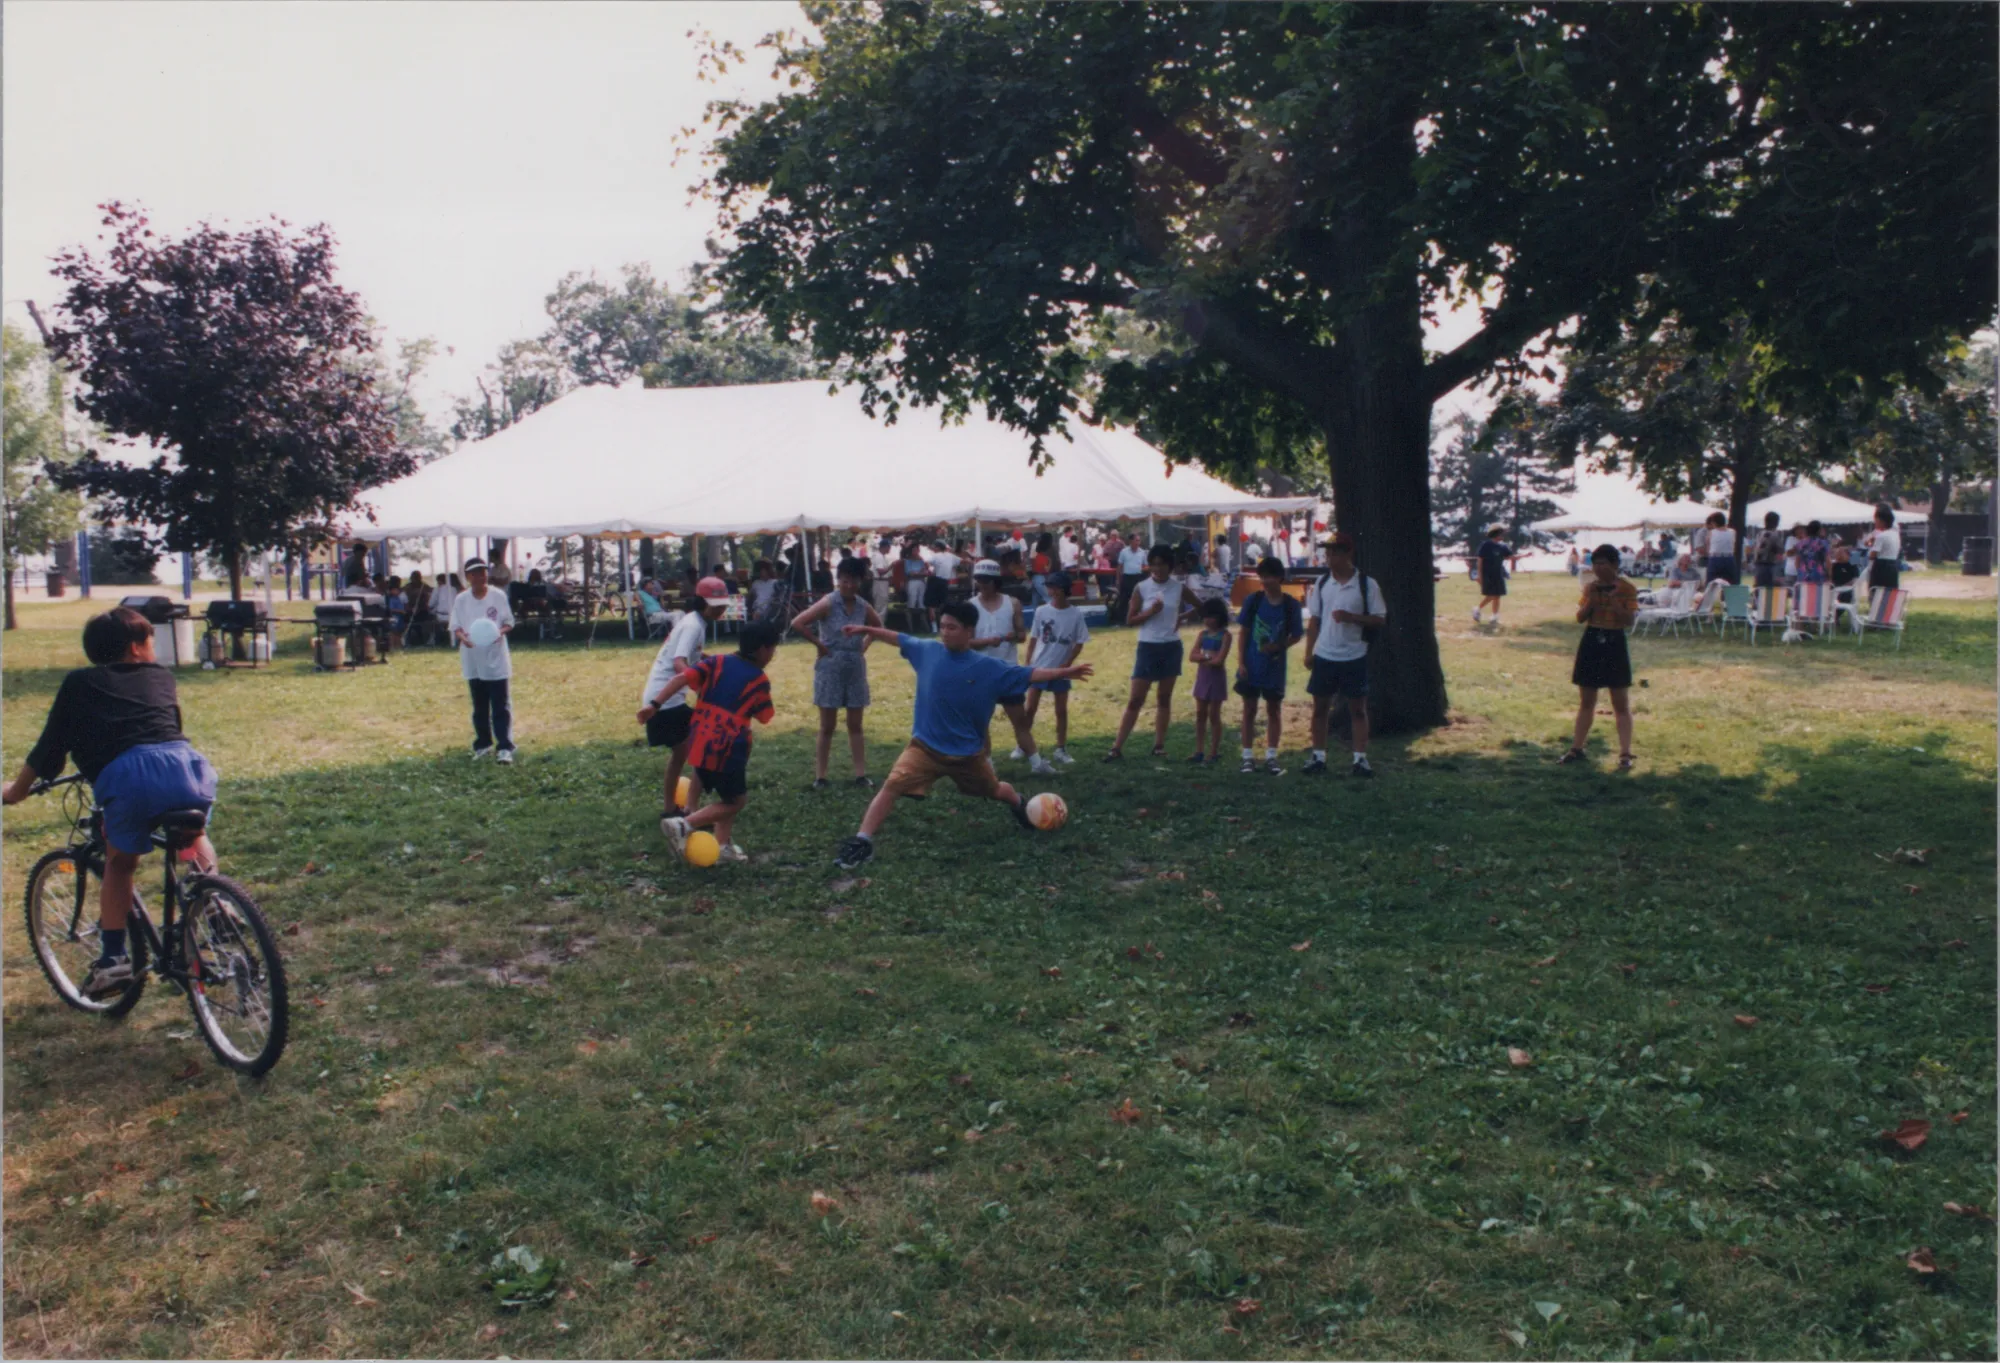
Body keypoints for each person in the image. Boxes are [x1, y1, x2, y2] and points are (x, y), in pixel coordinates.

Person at [1, 606, 221, 995]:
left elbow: (50, 745)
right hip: (188, 767)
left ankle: (113, 960)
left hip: (130, 778)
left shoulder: (79, 683)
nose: (153, 647)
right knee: (192, 832)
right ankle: (215, 900)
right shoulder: (161, 676)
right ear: (134, 647)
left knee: (120, 865)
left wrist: (15, 791)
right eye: (150, 640)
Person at [830, 602, 1094, 870]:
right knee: (893, 784)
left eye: (952, 628)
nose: (945, 632)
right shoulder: (927, 651)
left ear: (969, 631)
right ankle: (862, 841)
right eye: (942, 626)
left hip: (967, 756)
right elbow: (898, 638)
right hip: (924, 748)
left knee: (994, 790)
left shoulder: (989, 668)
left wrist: (1064, 672)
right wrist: (867, 629)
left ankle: (1018, 803)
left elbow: (1030, 673)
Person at [658, 623, 780, 865]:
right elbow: (765, 716)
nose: (772, 655)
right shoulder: (758, 679)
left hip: (699, 741)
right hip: (728, 749)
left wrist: (654, 704)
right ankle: (683, 824)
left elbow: (684, 678)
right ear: (762, 650)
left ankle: (723, 846)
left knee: (727, 797)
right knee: (735, 802)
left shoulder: (717, 661)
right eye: (772, 649)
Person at [790, 556, 882, 790]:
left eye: (854, 581)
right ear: (838, 579)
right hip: (830, 667)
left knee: (856, 724)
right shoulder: (828, 602)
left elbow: (877, 627)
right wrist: (820, 645)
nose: (849, 585)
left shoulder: (863, 605)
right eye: (845, 580)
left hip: (855, 667)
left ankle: (860, 775)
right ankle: (820, 776)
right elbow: (798, 623)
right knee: (827, 726)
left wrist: (864, 645)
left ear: (860, 581)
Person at [638, 591, 729, 818]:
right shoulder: (693, 626)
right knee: (700, 747)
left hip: (665, 699)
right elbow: (680, 662)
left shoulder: (694, 621)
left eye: (723, 605)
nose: (721, 610)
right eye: (716, 605)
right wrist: (700, 688)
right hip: (666, 701)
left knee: (684, 752)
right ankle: (688, 810)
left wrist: (712, 661)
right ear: (703, 603)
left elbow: (690, 655)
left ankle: (673, 808)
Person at [1302, 533, 1385, 778]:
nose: (1329, 558)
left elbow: (1379, 619)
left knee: (1357, 710)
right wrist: (1309, 652)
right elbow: (1314, 620)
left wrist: (1352, 618)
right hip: (1325, 654)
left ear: (1348, 554)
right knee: (1320, 708)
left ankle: (1360, 759)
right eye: (1327, 553)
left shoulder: (1366, 584)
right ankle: (1318, 756)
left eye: (1335, 553)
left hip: (1354, 654)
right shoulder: (1322, 583)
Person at [1104, 543, 1197, 761]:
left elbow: (1201, 605)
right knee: (1136, 699)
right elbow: (1130, 620)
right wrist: (1150, 612)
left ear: (1170, 566)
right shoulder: (1142, 587)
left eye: (1161, 564)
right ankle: (1116, 747)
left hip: (1171, 646)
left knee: (1164, 698)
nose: (1157, 569)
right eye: (1153, 564)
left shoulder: (1178, 587)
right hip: (1148, 646)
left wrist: (1181, 618)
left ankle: (1159, 745)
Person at [970, 560, 1057, 776]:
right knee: (982, 723)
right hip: (980, 671)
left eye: (987, 580)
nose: (983, 584)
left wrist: (1013, 636)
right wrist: (988, 641)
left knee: (1020, 721)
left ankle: (1037, 763)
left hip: (1007, 671)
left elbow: (1022, 635)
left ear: (996, 581)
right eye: (979, 580)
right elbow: (965, 642)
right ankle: (988, 767)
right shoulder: (970, 606)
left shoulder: (1012, 603)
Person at [1560, 544, 1638, 770]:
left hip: (1615, 641)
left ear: (1615, 564)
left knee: (1620, 702)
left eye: (1603, 563)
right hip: (1592, 639)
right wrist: (1591, 602)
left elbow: (1629, 620)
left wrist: (1614, 602)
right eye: (1595, 564)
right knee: (1586, 701)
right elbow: (1579, 618)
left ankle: (1625, 754)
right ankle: (1576, 748)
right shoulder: (1591, 587)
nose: (1598, 568)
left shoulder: (1627, 588)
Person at [1235, 555, 1304, 774]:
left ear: (1280, 577)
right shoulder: (1253, 601)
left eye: (1270, 576)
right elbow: (1243, 633)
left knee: (1274, 709)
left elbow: (1297, 635)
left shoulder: (1291, 605)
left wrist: (1279, 646)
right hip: (1252, 664)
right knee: (1249, 709)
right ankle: (1247, 756)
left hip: (1275, 666)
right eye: (1262, 577)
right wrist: (1241, 662)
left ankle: (1271, 756)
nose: (1265, 581)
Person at [448, 559, 518, 762]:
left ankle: (504, 746)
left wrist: (498, 633)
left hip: (495, 657)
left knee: (500, 704)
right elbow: (456, 626)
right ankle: (483, 744)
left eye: (483, 572)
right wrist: (463, 638)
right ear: (468, 577)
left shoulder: (498, 595)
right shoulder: (461, 599)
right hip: (473, 658)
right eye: (475, 573)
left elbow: (508, 622)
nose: (480, 576)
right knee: (479, 705)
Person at [1020, 571, 1089, 765]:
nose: (1052, 592)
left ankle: (1060, 748)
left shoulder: (1075, 614)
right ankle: (1022, 745)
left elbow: (1080, 641)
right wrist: (1028, 663)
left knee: (1061, 710)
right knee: (1030, 708)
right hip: (1039, 666)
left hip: (1061, 669)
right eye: (1050, 588)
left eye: (1056, 588)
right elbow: (1034, 638)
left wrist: (1068, 662)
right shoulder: (1041, 611)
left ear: (1065, 590)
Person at [1186, 597, 1233, 764]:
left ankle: (1213, 751)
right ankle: (1199, 750)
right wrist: (1207, 657)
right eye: (1205, 617)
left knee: (1214, 714)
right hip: (1203, 676)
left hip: (1216, 678)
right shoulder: (1202, 635)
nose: (1207, 620)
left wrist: (1203, 658)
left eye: (1210, 616)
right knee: (1200, 714)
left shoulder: (1225, 635)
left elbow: (1219, 660)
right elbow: (1192, 656)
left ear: (1219, 617)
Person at [1471, 526, 1512, 626]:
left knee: (1498, 595)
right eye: (1501, 533)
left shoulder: (1503, 546)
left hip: (1498, 574)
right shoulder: (1486, 545)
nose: (1503, 535)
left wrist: (1525, 556)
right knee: (1491, 595)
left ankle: (1494, 617)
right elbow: (1480, 560)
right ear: (1496, 534)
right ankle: (1477, 609)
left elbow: (1509, 557)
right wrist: (1479, 575)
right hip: (1487, 574)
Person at [1866, 504, 1902, 595]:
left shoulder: (1881, 536)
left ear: (1881, 521)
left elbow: (1873, 554)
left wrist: (1871, 548)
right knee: (1890, 593)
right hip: (1893, 565)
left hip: (1881, 566)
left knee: (1876, 592)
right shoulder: (1895, 535)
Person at [1114, 534, 1149, 627]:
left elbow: (1146, 566)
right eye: (1136, 540)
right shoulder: (1124, 552)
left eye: (1139, 540)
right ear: (1131, 541)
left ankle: (1137, 620)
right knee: (1123, 600)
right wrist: (1118, 580)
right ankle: (1121, 621)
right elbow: (1119, 567)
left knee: (1138, 600)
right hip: (1126, 577)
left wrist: (1141, 569)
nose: (1138, 542)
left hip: (1138, 578)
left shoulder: (1142, 552)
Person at [925, 539, 958, 630]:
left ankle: (938, 626)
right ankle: (936, 626)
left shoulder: (939, 556)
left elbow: (927, 563)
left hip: (938, 581)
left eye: (935, 547)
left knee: (935, 605)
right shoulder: (943, 556)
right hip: (939, 581)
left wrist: (929, 570)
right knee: (935, 605)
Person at [1750, 511, 1787, 589]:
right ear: (1776, 523)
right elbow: (1781, 551)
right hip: (1768, 566)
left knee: (1759, 589)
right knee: (1768, 590)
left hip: (1757, 566)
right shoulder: (1774, 535)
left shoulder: (1759, 534)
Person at [748, 559, 787, 626]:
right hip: (758, 609)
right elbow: (751, 597)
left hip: (770, 609)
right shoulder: (756, 583)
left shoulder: (775, 583)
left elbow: (779, 597)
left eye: (763, 570)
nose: (762, 572)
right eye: (760, 570)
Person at [1703, 513, 1739, 584]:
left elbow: (1708, 547)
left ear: (1714, 523)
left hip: (1715, 558)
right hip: (1729, 558)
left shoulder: (1711, 533)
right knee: (1730, 581)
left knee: (1712, 582)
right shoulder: (1733, 532)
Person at [1795, 520, 1829, 585]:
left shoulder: (1800, 543)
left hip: (1803, 575)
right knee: (1818, 591)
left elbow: (1797, 562)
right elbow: (1828, 562)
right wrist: (1829, 576)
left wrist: (1800, 572)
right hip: (1819, 575)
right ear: (1819, 530)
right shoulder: (1823, 543)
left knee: (1804, 591)